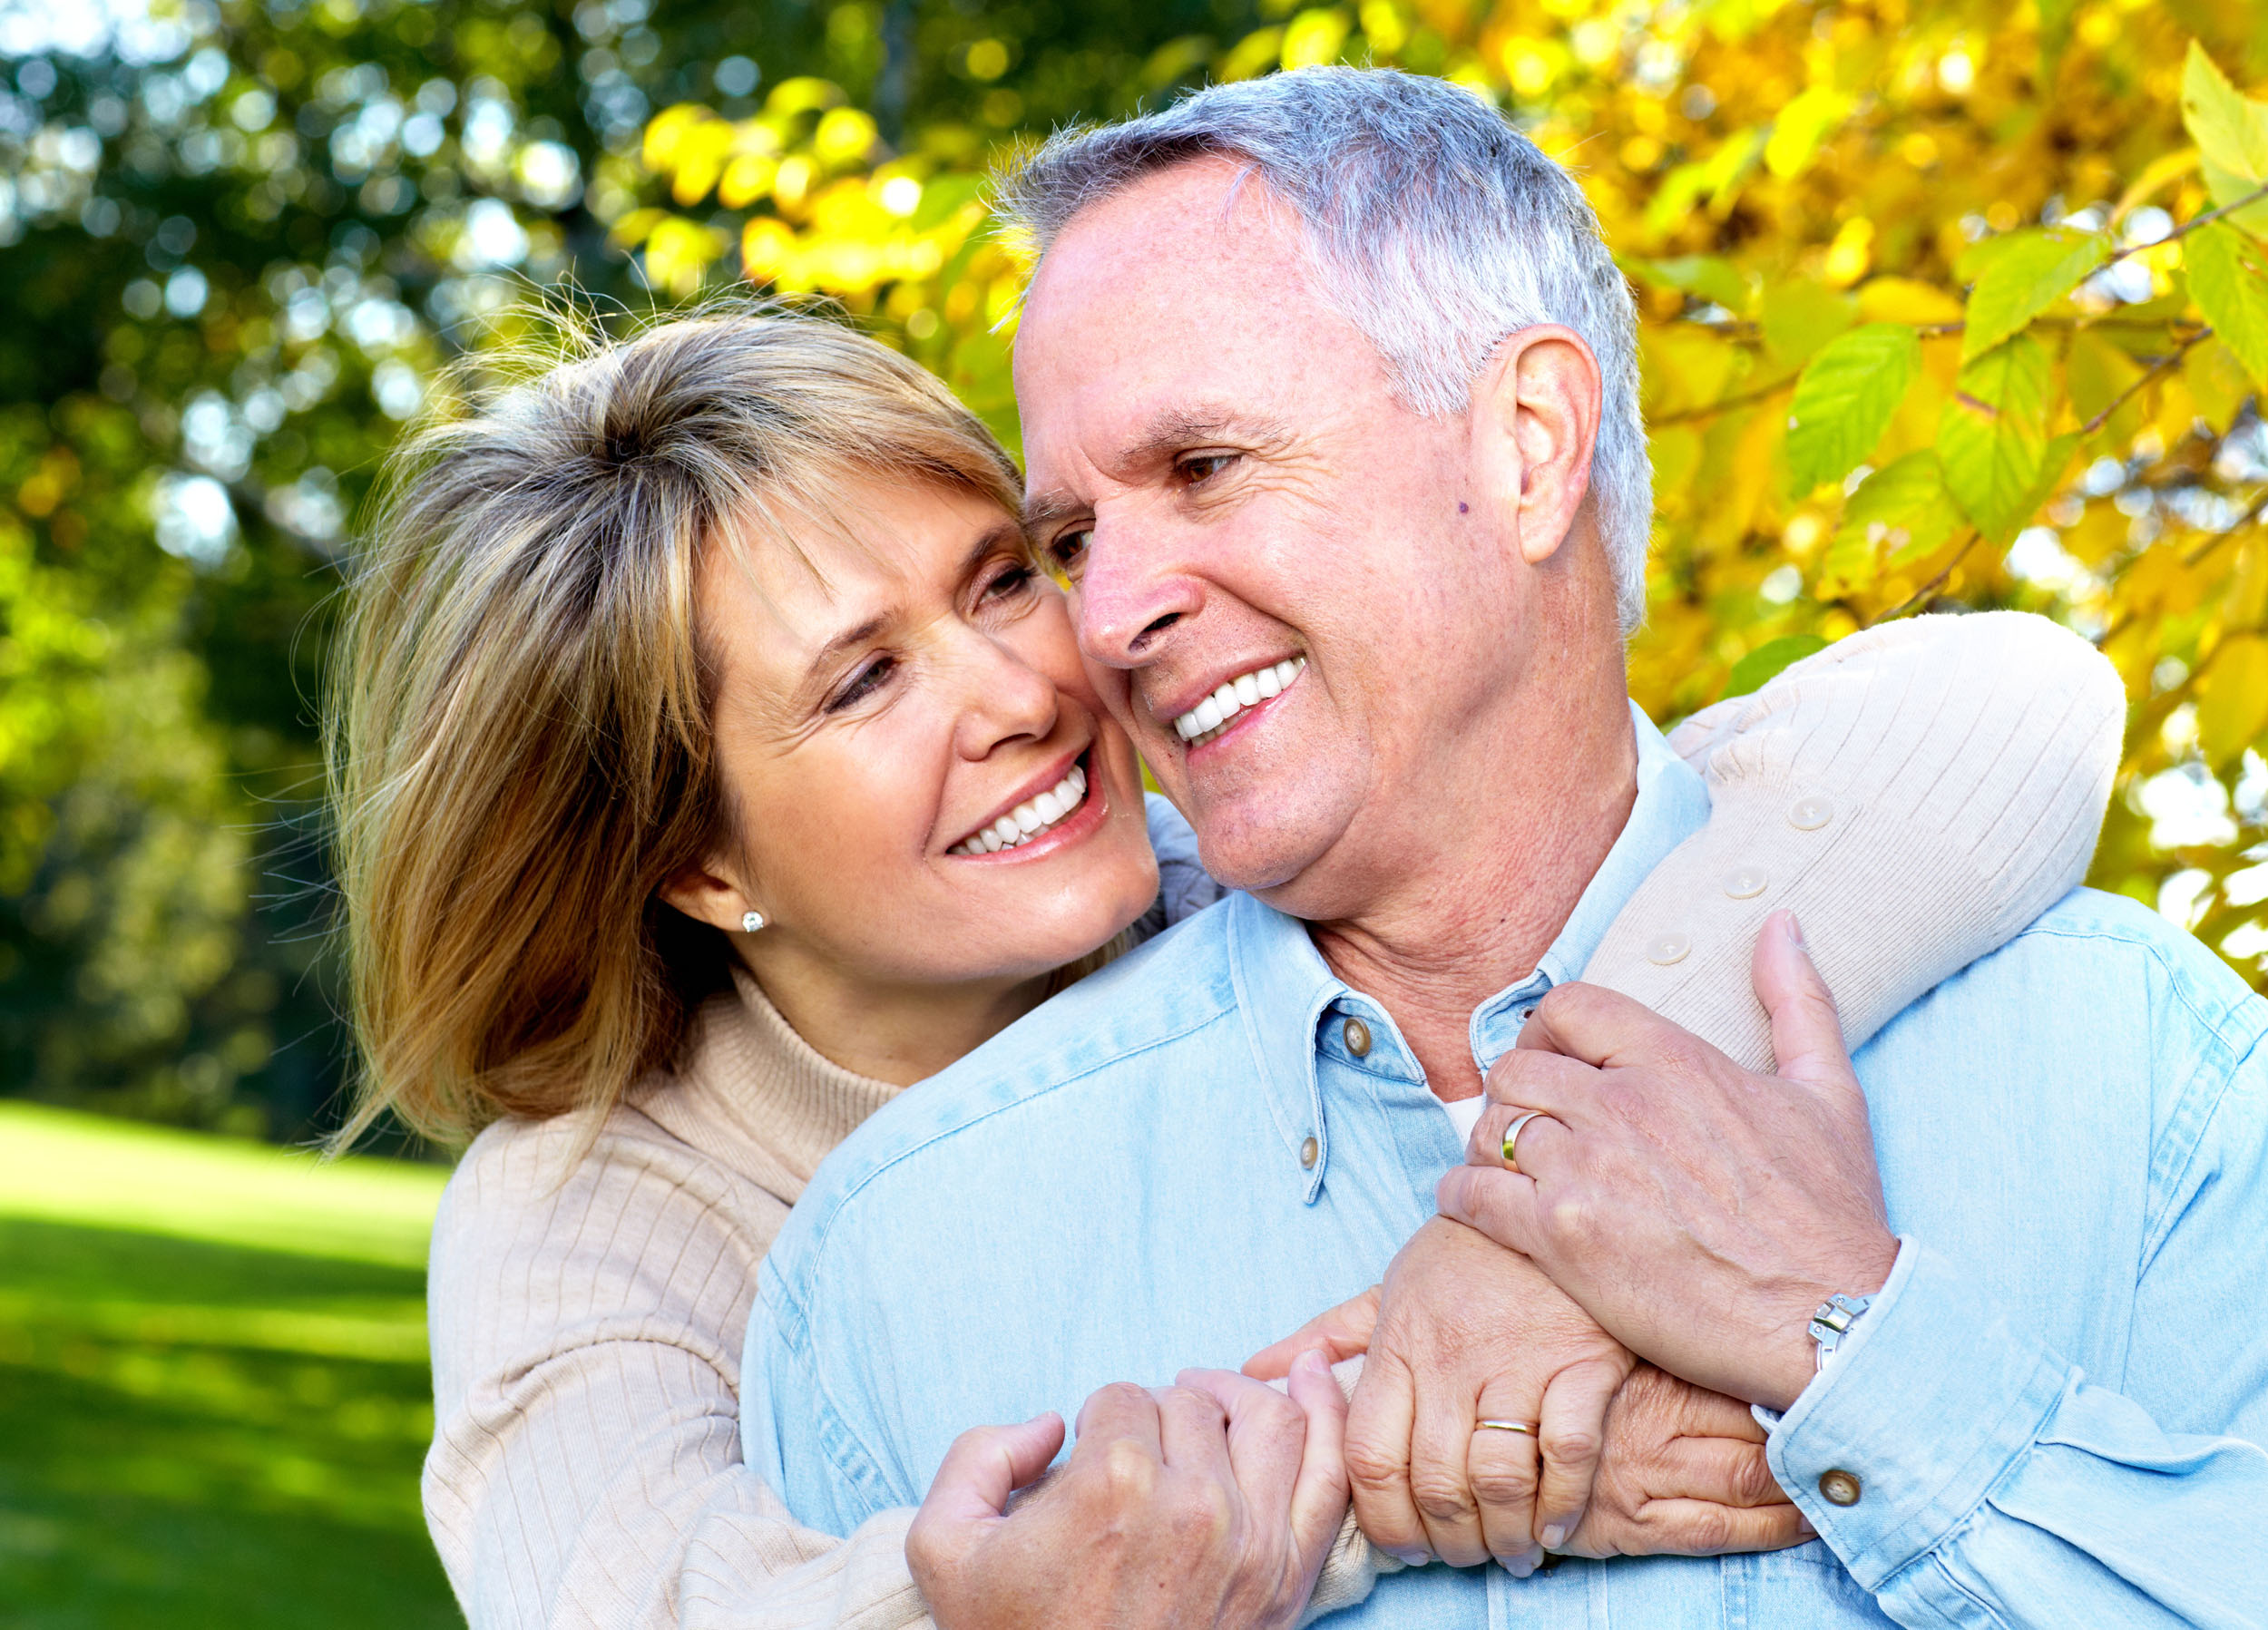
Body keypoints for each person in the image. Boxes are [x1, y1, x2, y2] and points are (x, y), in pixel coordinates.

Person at [737, 67, 2268, 1630]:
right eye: (1072, 543)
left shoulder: (2143, 1076)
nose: (1111, 616)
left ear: (1531, 445)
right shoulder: (896, 1270)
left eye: (1205, 469)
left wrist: (1861, 1354)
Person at [333, 314, 2105, 1626]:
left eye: (1006, 578)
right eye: (863, 680)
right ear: (701, 862)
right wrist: (1396, 1462)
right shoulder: (601, 1207)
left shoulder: (1252, 900)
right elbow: (636, 1600)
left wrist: (1526, 1228)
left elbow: (2003, 710)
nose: (1026, 687)